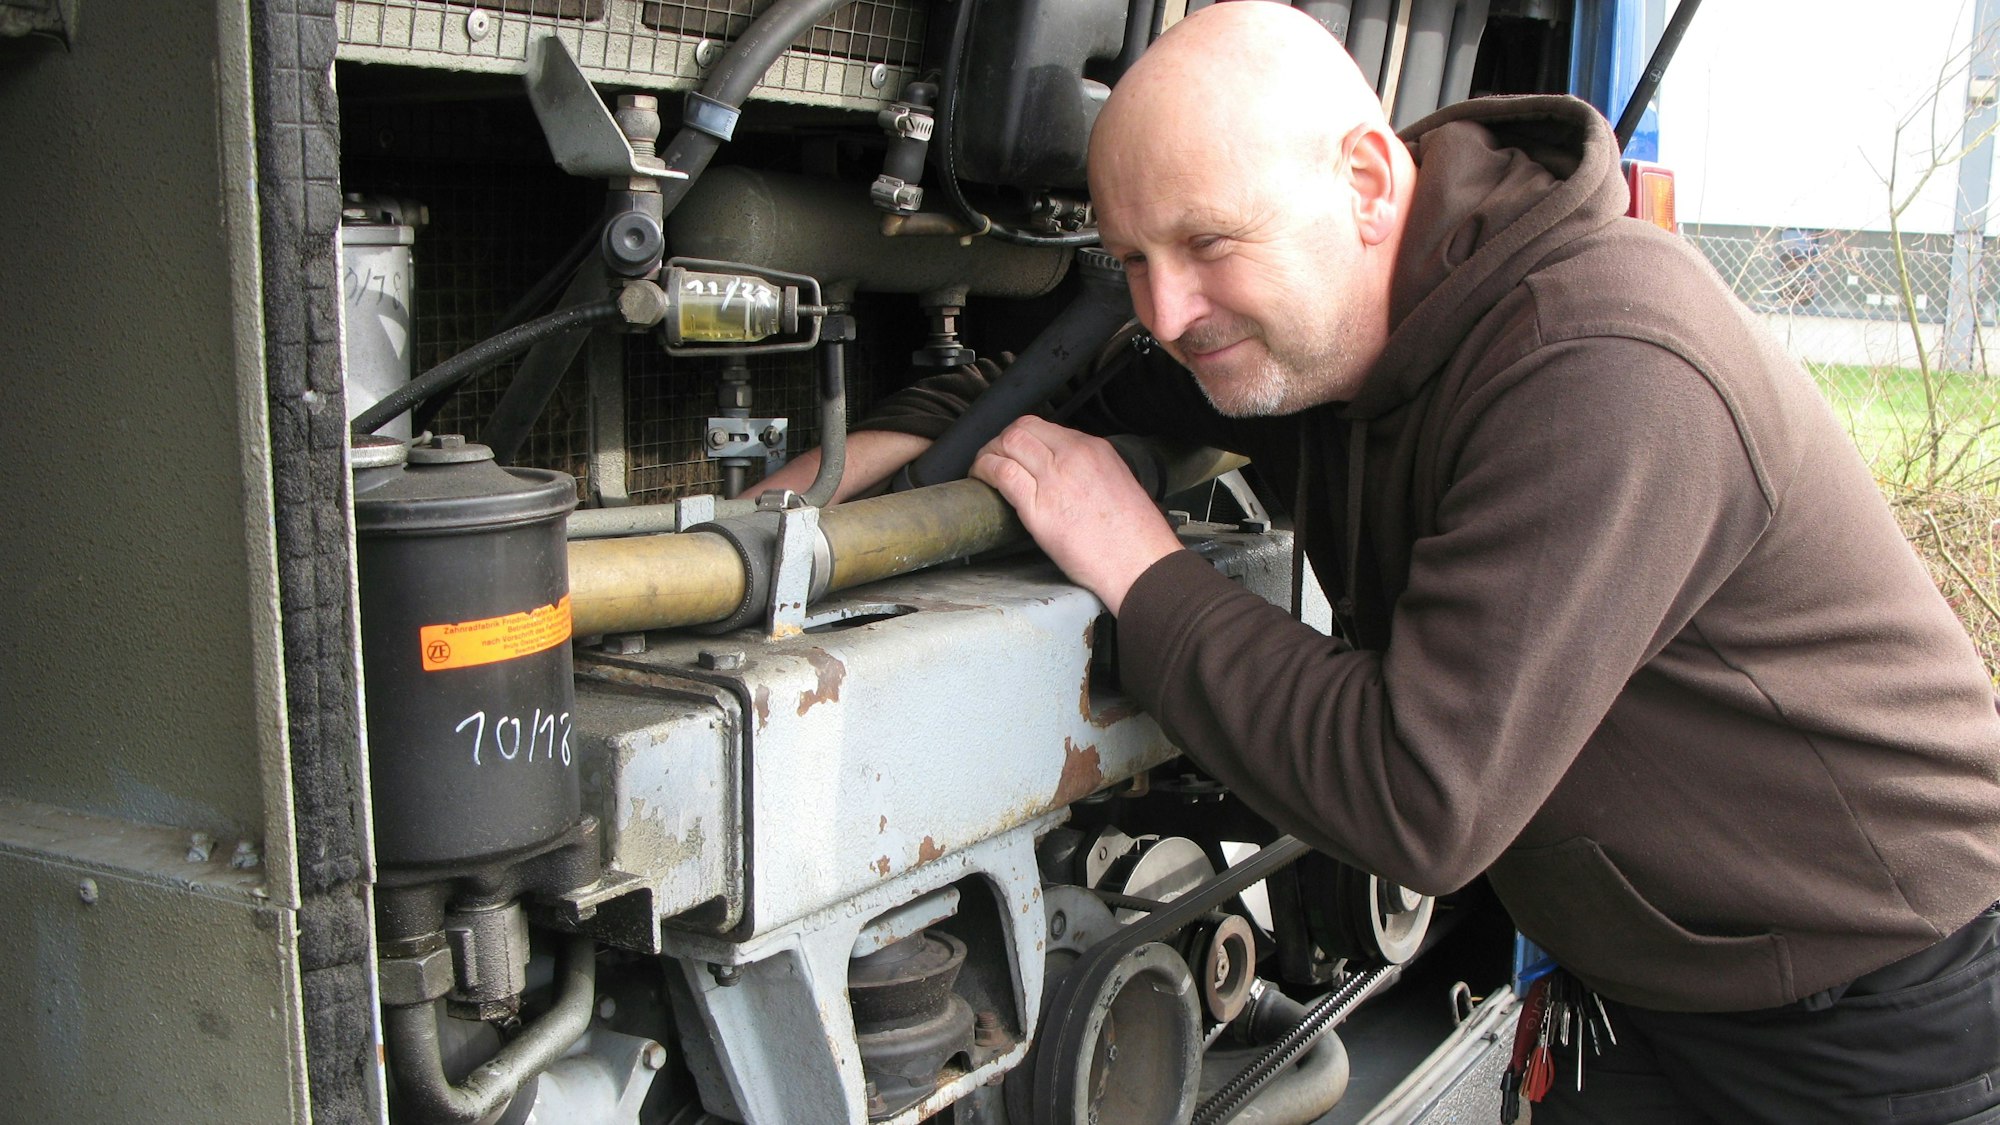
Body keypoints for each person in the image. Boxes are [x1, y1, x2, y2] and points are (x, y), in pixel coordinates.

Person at [770, 3, 2000, 1119]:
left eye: (1205, 244)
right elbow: (1072, 382)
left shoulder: (1604, 368)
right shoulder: (1322, 313)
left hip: (1871, 1015)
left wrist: (1138, 566)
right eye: (1134, 259)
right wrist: (880, 450)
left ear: (1363, 183)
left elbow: (1417, 798)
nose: (1166, 310)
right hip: (1646, 984)